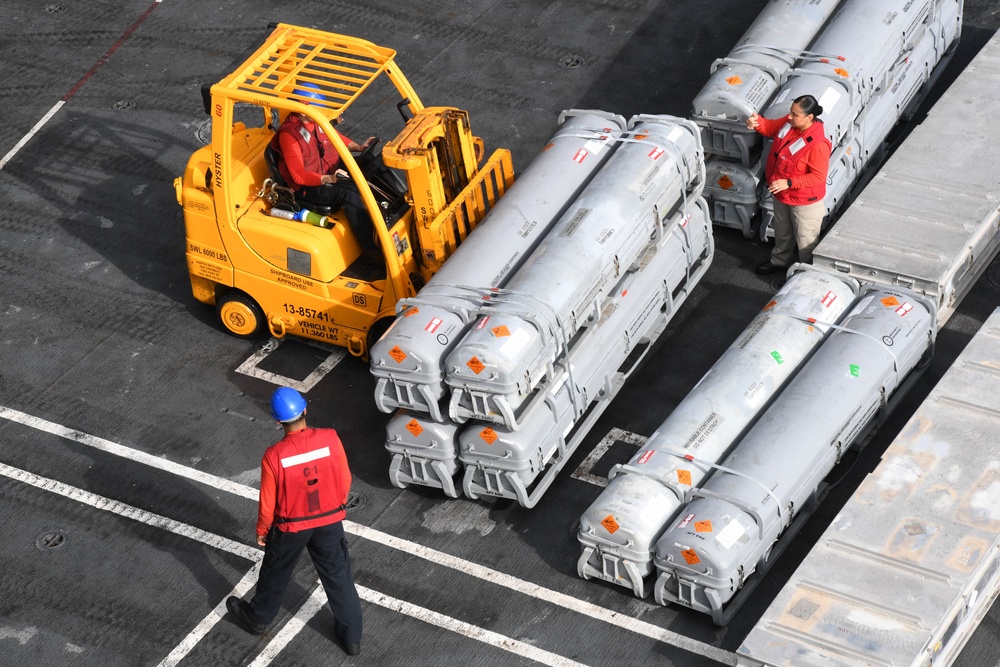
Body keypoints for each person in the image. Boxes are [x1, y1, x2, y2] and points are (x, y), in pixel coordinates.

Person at [227, 387, 363, 656]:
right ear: (304, 410)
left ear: (277, 421)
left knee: (275, 574)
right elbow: (345, 478)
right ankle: (352, 638)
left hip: (291, 526)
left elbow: (268, 502)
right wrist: (335, 506)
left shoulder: (274, 456)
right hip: (329, 520)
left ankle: (257, 618)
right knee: (339, 577)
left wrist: (263, 530)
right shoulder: (330, 438)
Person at [270, 84, 379, 251]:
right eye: (317, 109)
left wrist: (358, 147)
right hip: (310, 187)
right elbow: (299, 175)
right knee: (348, 193)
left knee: (368, 163)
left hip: (328, 170)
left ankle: (391, 209)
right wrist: (330, 179)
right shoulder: (289, 136)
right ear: (302, 109)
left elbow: (333, 135)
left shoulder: (315, 120)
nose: (321, 112)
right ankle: (373, 249)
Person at [746, 94, 833, 275]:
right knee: (782, 230)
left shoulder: (817, 144)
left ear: (809, 118)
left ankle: (806, 273)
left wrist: (789, 182)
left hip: (804, 201)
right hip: (782, 194)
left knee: (806, 239)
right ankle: (780, 261)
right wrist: (757, 122)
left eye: (795, 114)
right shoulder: (789, 123)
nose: (790, 116)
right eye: (791, 112)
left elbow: (818, 176)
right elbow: (770, 128)